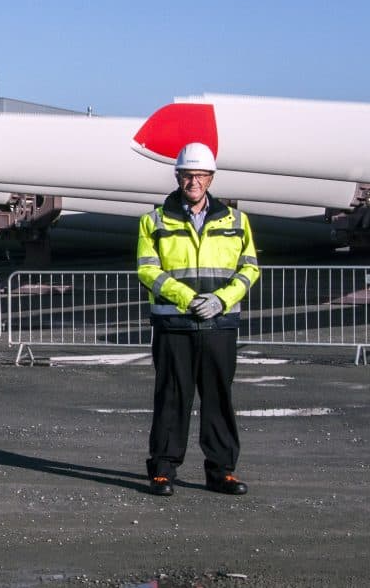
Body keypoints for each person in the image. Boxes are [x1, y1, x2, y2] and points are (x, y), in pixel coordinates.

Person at [136, 142, 260, 497]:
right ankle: (162, 470)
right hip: (175, 324)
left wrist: (220, 300)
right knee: (172, 398)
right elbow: (148, 270)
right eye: (188, 175)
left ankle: (221, 472)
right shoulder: (154, 220)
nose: (194, 181)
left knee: (219, 400)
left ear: (210, 178)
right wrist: (189, 299)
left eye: (200, 175)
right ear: (178, 177)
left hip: (219, 326)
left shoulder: (237, 221)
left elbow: (249, 268)